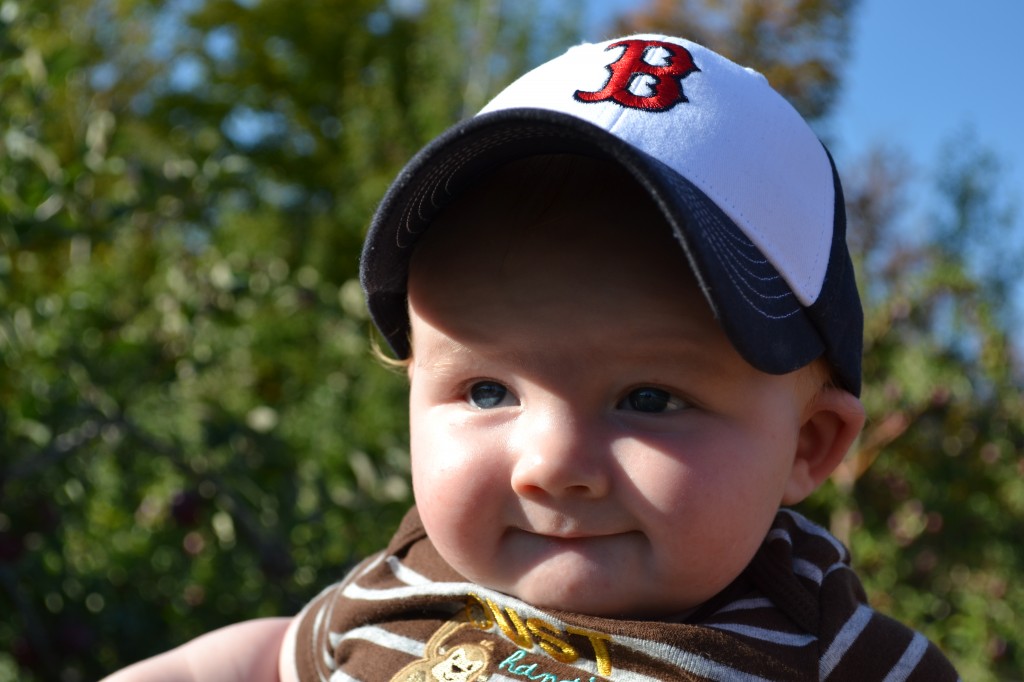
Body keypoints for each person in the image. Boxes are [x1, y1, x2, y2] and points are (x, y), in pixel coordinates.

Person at [103, 34, 960, 681]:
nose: (549, 466)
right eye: (485, 391)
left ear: (808, 444)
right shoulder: (402, 584)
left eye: (650, 399)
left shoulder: (816, 640)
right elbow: (260, 662)